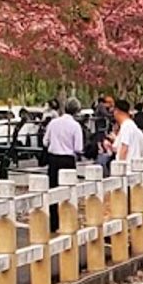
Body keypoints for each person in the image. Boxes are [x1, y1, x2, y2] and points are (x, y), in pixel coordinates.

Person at [43, 97, 84, 232]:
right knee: (68, 192)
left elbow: (45, 141)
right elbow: (78, 147)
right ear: (77, 111)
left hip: (53, 159)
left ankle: (53, 223)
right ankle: (68, 222)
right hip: (67, 160)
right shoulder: (75, 126)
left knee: (53, 191)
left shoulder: (54, 123)